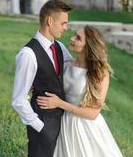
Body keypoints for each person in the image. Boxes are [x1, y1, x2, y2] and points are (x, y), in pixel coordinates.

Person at [37, 25, 123, 157]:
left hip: (87, 128)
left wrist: (59, 103)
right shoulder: (65, 65)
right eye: (74, 35)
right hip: (65, 124)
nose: (72, 38)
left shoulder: (100, 73)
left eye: (78, 38)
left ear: (88, 46)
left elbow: (92, 114)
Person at [12, 0, 72, 157]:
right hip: (42, 126)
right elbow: (18, 100)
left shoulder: (60, 47)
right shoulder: (28, 54)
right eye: (63, 23)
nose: (66, 28)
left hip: (61, 123)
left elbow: (73, 69)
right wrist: (40, 127)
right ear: (50, 21)